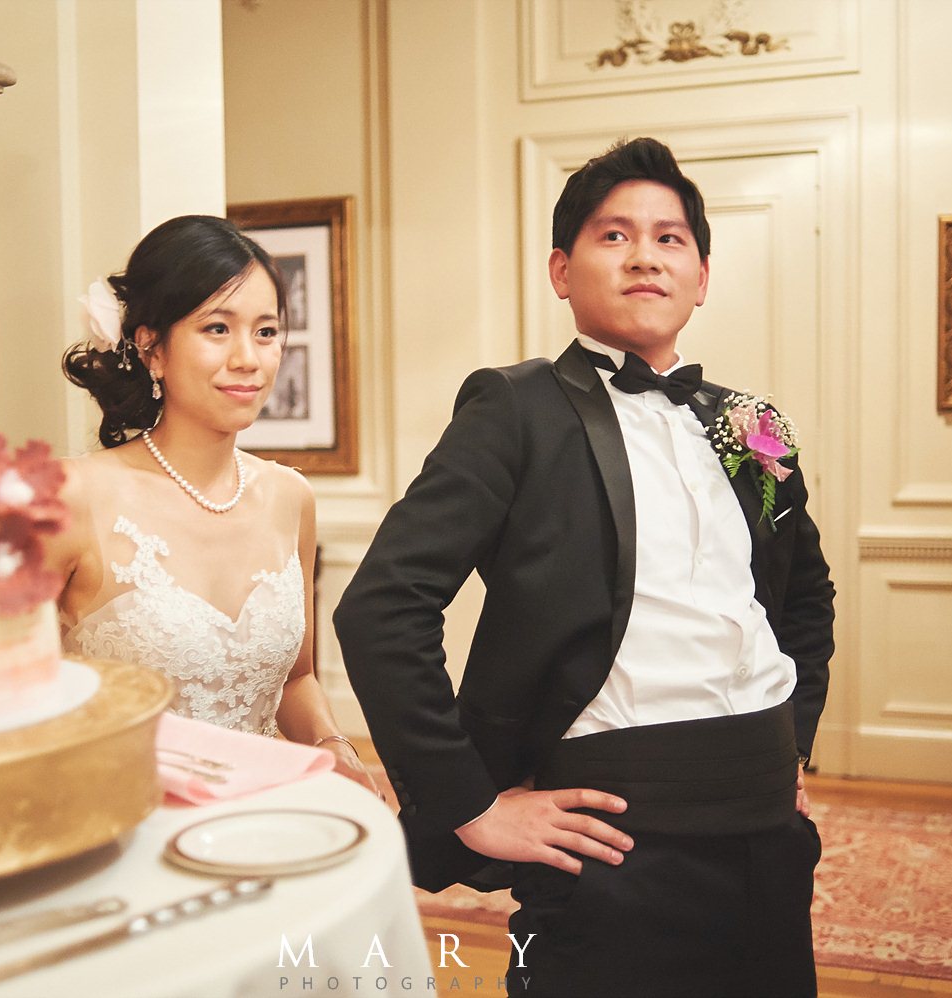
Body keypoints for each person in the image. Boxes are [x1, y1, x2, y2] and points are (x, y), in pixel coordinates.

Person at [334, 138, 835, 995]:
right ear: (561, 271)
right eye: (614, 236)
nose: (646, 256)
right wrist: (470, 806)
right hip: (609, 835)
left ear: (702, 277)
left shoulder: (751, 423)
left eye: (670, 238)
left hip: (767, 823)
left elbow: (803, 595)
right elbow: (382, 606)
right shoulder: (515, 408)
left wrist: (791, 745)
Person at [49, 215, 377, 795]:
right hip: (125, 815)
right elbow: (16, 699)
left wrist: (333, 744)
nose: (249, 358)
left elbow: (295, 680)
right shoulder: (72, 496)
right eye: (218, 328)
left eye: (266, 331)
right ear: (151, 347)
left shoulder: (290, 497)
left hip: (264, 812)